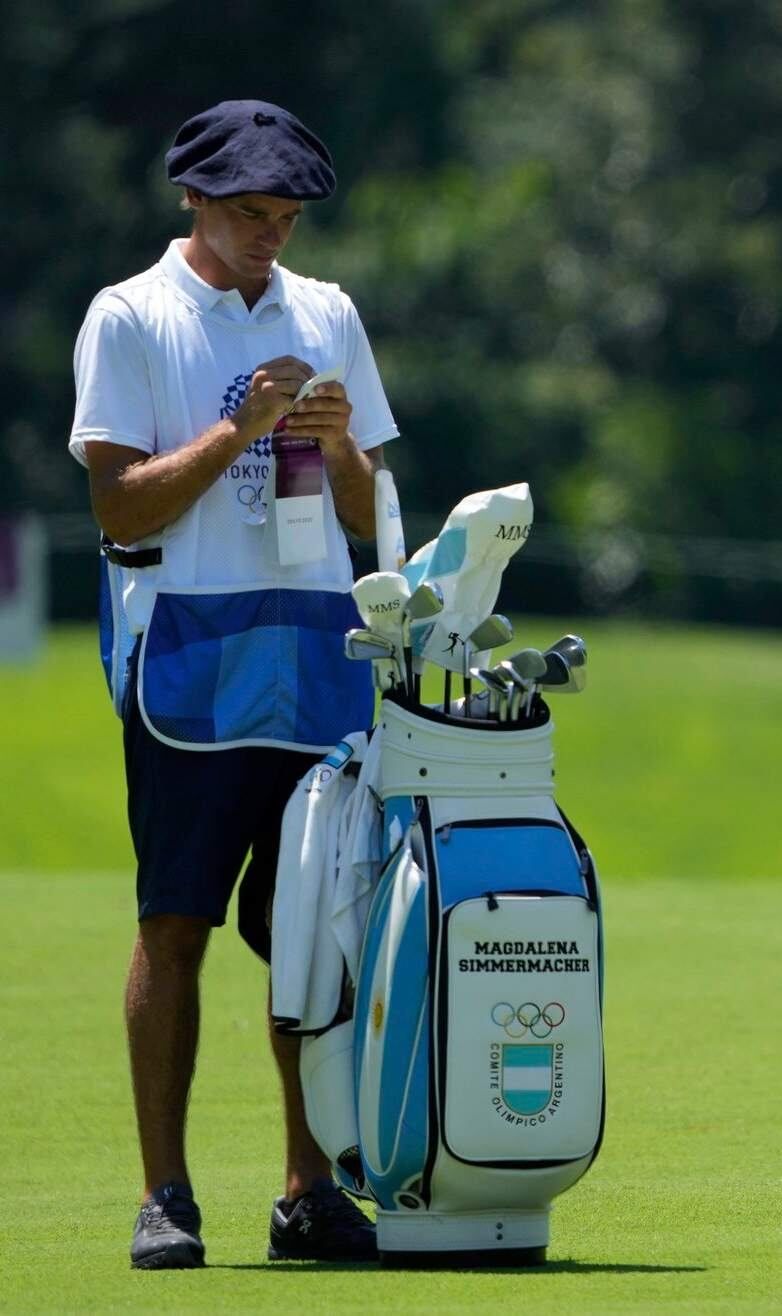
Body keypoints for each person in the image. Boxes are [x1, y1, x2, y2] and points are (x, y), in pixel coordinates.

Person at [70, 100, 398, 1267]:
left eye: (288, 215)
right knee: (176, 922)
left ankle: (308, 1189)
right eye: (252, 213)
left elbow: (369, 513)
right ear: (194, 200)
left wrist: (336, 439)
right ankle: (167, 1194)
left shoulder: (328, 312)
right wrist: (242, 428)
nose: (273, 234)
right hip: (191, 660)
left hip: (315, 654)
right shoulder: (132, 316)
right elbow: (118, 505)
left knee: (313, 927)